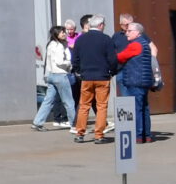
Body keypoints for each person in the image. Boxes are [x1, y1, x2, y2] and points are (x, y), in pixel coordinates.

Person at [71, 14, 118, 144]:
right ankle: (99, 135)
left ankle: (80, 133)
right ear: (101, 25)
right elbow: (113, 59)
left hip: (86, 77)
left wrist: (79, 71)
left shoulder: (80, 39)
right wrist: (112, 72)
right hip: (102, 76)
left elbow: (75, 59)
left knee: (84, 106)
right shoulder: (106, 39)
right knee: (101, 106)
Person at [115, 20, 156, 143]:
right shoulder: (144, 43)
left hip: (136, 80)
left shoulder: (135, 45)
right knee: (144, 108)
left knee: (136, 108)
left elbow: (120, 57)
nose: (126, 33)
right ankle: (146, 135)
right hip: (143, 81)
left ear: (137, 32)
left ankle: (138, 136)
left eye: (129, 31)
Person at [32, 26, 74, 130]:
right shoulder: (59, 46)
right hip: (60, 75)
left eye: (64, 32)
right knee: (69, 101)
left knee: (48, 100)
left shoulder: (51, 44)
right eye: (62, 32)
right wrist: (69, 63)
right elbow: (60, 61)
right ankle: (74, 124)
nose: (64, 34)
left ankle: (38, 122)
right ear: (56, 34)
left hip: (51, 75)